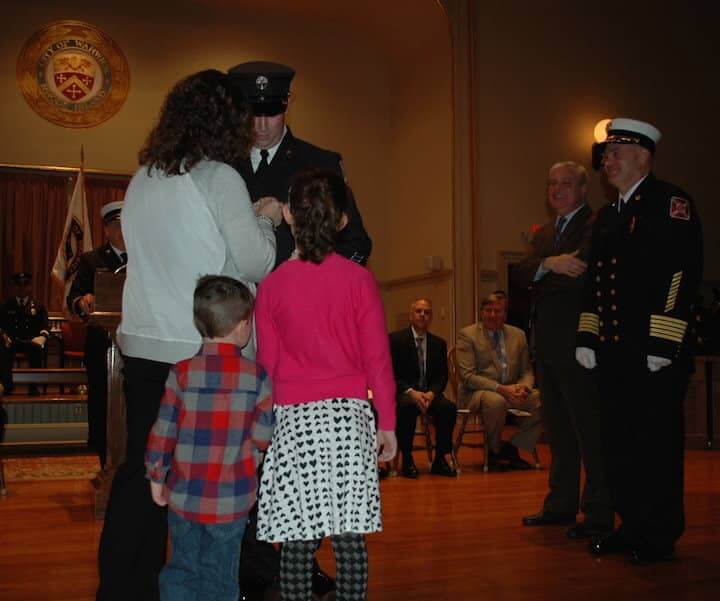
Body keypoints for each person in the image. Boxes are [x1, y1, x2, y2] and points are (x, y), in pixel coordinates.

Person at [96, 69, 281, 601]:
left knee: (142, 476)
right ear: (226, 121)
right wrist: (263, 219)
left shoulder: (143, 177)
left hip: (143, 344)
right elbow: (254, 261)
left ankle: (124, 588)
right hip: (198, 350)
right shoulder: (219, 176)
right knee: (212, 480)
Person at [254, 169, 396, 601]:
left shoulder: (272, 287)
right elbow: (377, 359)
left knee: (297, 537)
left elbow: (267, 367)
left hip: (294, 422)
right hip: (349, 421)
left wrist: (262, 429)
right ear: (342, 221)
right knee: (350, 535)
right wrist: (386, 424)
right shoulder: (358, 280)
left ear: (286, 216)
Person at [576, 118, 703, 564]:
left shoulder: (670, 203)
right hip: (613, 352)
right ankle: (629, 526)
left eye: (617, 152)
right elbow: (596, 282)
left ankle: (658, 534)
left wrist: (663, 339)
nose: (607, 161)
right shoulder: (608, 216)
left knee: (655, 447)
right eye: (606, 154)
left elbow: (681, 274)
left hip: (653, 353)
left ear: (644, 156)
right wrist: (588, 333)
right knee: (619, 445)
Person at [145, 276, 274, 601]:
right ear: (244, 324)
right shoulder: (257, 377)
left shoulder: (181, 373)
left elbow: (163, 430)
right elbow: (263, 436)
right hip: (231, 501)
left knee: (181, 569)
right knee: (220, 578)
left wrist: (156, 477)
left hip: (184, 498)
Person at [514, 161, 613, 538]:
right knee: (558, 431)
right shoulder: (547, 234)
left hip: (579, 343)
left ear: (584, 189)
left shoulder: (594, 225)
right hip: (548, 345)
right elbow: (520, 273)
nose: (557, 190)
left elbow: (579, 278)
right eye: (552, 183)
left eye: (566, 184)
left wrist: (540, 272)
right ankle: (560, 504)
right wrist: (550, 263)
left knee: (589, 429)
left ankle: (600, 511)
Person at [227, 61, 372, 267]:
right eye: (254, 113)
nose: (261, 124)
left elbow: (356, 244)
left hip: (300, 294)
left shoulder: (321, 163)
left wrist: (314, 281)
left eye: (271, 112)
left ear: (287, 103)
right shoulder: (223, 165)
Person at [67, 201, 127, 466]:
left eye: (126, 225)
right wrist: (83, 300)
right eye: (116, 226)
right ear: (106, 230)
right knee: (102, 404)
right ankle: (104, 461)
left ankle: (127, 463)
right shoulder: (92, 259)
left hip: (133, 346)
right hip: (101, 346)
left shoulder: (144, 257)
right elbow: (73, 298)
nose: (123, 231)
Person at [456, 293, 541, 470]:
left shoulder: (518, 335)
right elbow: (468, 377)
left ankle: (513, 447)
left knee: (544, 400)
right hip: (477, 393)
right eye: (488, 310)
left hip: (512, 391)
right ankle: (494, 451)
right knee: (496, 401)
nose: (492, 315)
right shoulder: (467, 335)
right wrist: (502, 389)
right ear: (481, 312)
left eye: (497, 311)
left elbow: (526, 370)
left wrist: (524, 387)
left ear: (505, 314)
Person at [389, 297, 457, 478]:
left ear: (431, 317)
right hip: (406, 392)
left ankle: (440, 459)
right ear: (411, 315)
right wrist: (412, 393)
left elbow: (442, 376)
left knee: (448, 408)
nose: (422, 315)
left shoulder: (438, 343)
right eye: (419, 311)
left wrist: (431, 393)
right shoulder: (395, 340)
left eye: (427, 312)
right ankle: (407, 459)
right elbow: (391, 374)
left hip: (429, 393)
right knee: (407, 407)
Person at [0, 272, 49, 393]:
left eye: (25, 284)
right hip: (11, 342)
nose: (22, 288)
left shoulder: (38, 306)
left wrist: (42, 337)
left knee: (37, 349)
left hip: (30, 341)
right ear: (14, 287)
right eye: (18, 285)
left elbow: (45, 326)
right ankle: (7, 386)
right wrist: (4, 336)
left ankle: (34, 387)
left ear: (30, 286)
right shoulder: (6, 306)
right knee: (3, 350)